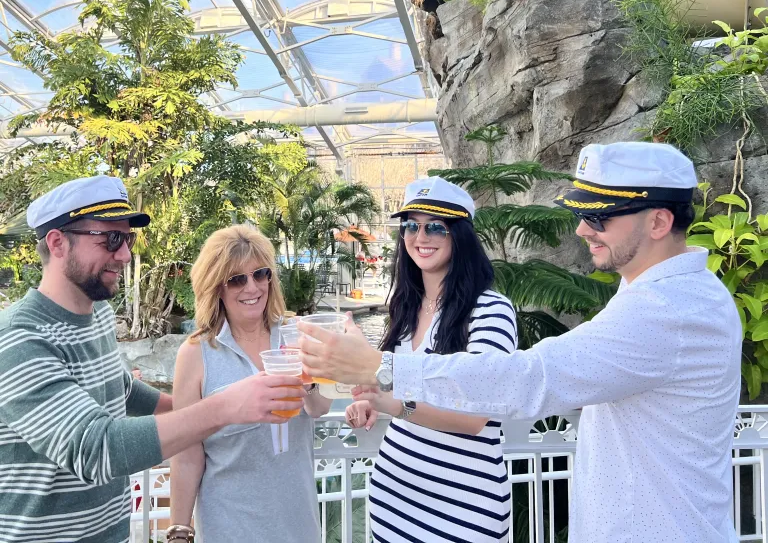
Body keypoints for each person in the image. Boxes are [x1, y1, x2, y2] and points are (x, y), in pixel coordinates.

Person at [300, 142, 743, 543]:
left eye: (598, 218)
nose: (582, 231)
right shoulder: (653, 292)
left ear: (659, 222)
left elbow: (528, 380)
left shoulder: (666, 310)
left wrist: (383, 371)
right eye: (581, 216)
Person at [0, 177, 304, 543]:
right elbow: (97, 449)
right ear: (57, 242)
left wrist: (187, 408)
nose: (125, 254)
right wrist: (223, 409)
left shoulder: (96, 315)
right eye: (110, 239)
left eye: (127, 239)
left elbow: (122, 388)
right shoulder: (19, 338)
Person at [344, 177, 517, 543]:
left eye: (436, 226)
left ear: (461, 236)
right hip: (394, 497)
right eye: (411, 225)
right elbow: (394, 385)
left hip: (464, 507)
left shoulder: (490, 310)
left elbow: (474, 416)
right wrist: (370, 404)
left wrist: (390, 403)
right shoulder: (405, 309)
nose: (420, 237)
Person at [169, 224, 330, 543]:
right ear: (216, 286)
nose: (252, 287)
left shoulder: (294, 335)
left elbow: (321, 408)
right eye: (236, 279)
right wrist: (179, 532)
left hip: (300, 526)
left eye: (260, 274)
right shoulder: (196, 354)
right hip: (228, 529)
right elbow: (187, 455)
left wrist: (308, 381)